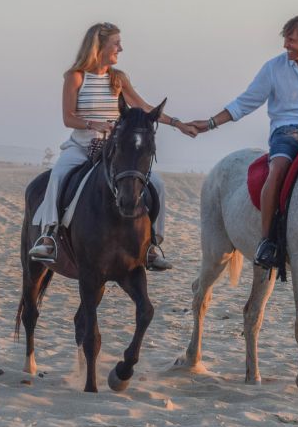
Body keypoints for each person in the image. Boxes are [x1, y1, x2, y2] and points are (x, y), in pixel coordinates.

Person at [29, 22, 197, 268]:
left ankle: (152, 245)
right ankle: (49, 236)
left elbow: (145, 108)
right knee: (58, 175)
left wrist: (178, 123)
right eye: (116, 43)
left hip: (114, 150)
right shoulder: (75, 77)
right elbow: (68, 118)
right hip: (81, 145)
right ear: (99, 47)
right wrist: (94, 125)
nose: (121, 48)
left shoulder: (118, 78)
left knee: (157, 184)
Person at [189, 14, 298, 269]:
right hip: (287, 129)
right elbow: (244, 102)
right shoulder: (273, 68)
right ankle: (267, 241)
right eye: (286, 38)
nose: (285, 44)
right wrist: (210, 123)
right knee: (278, 168)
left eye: (291, 39)